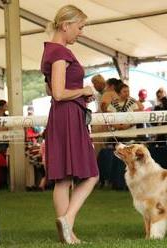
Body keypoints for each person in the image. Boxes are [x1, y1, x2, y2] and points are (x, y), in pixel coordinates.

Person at [40, 5, 99, 244]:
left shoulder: (50, 51)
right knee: (92, 175)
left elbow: (49, 88)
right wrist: (84, 90)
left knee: (63, 179)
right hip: (68, 116)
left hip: (61, 116)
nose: (81, 32)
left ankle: (68, 234)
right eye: (80, 27)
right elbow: (58, 92)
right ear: (66, 25)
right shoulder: (61, 52)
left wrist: (77, 94)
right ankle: (68, 219)